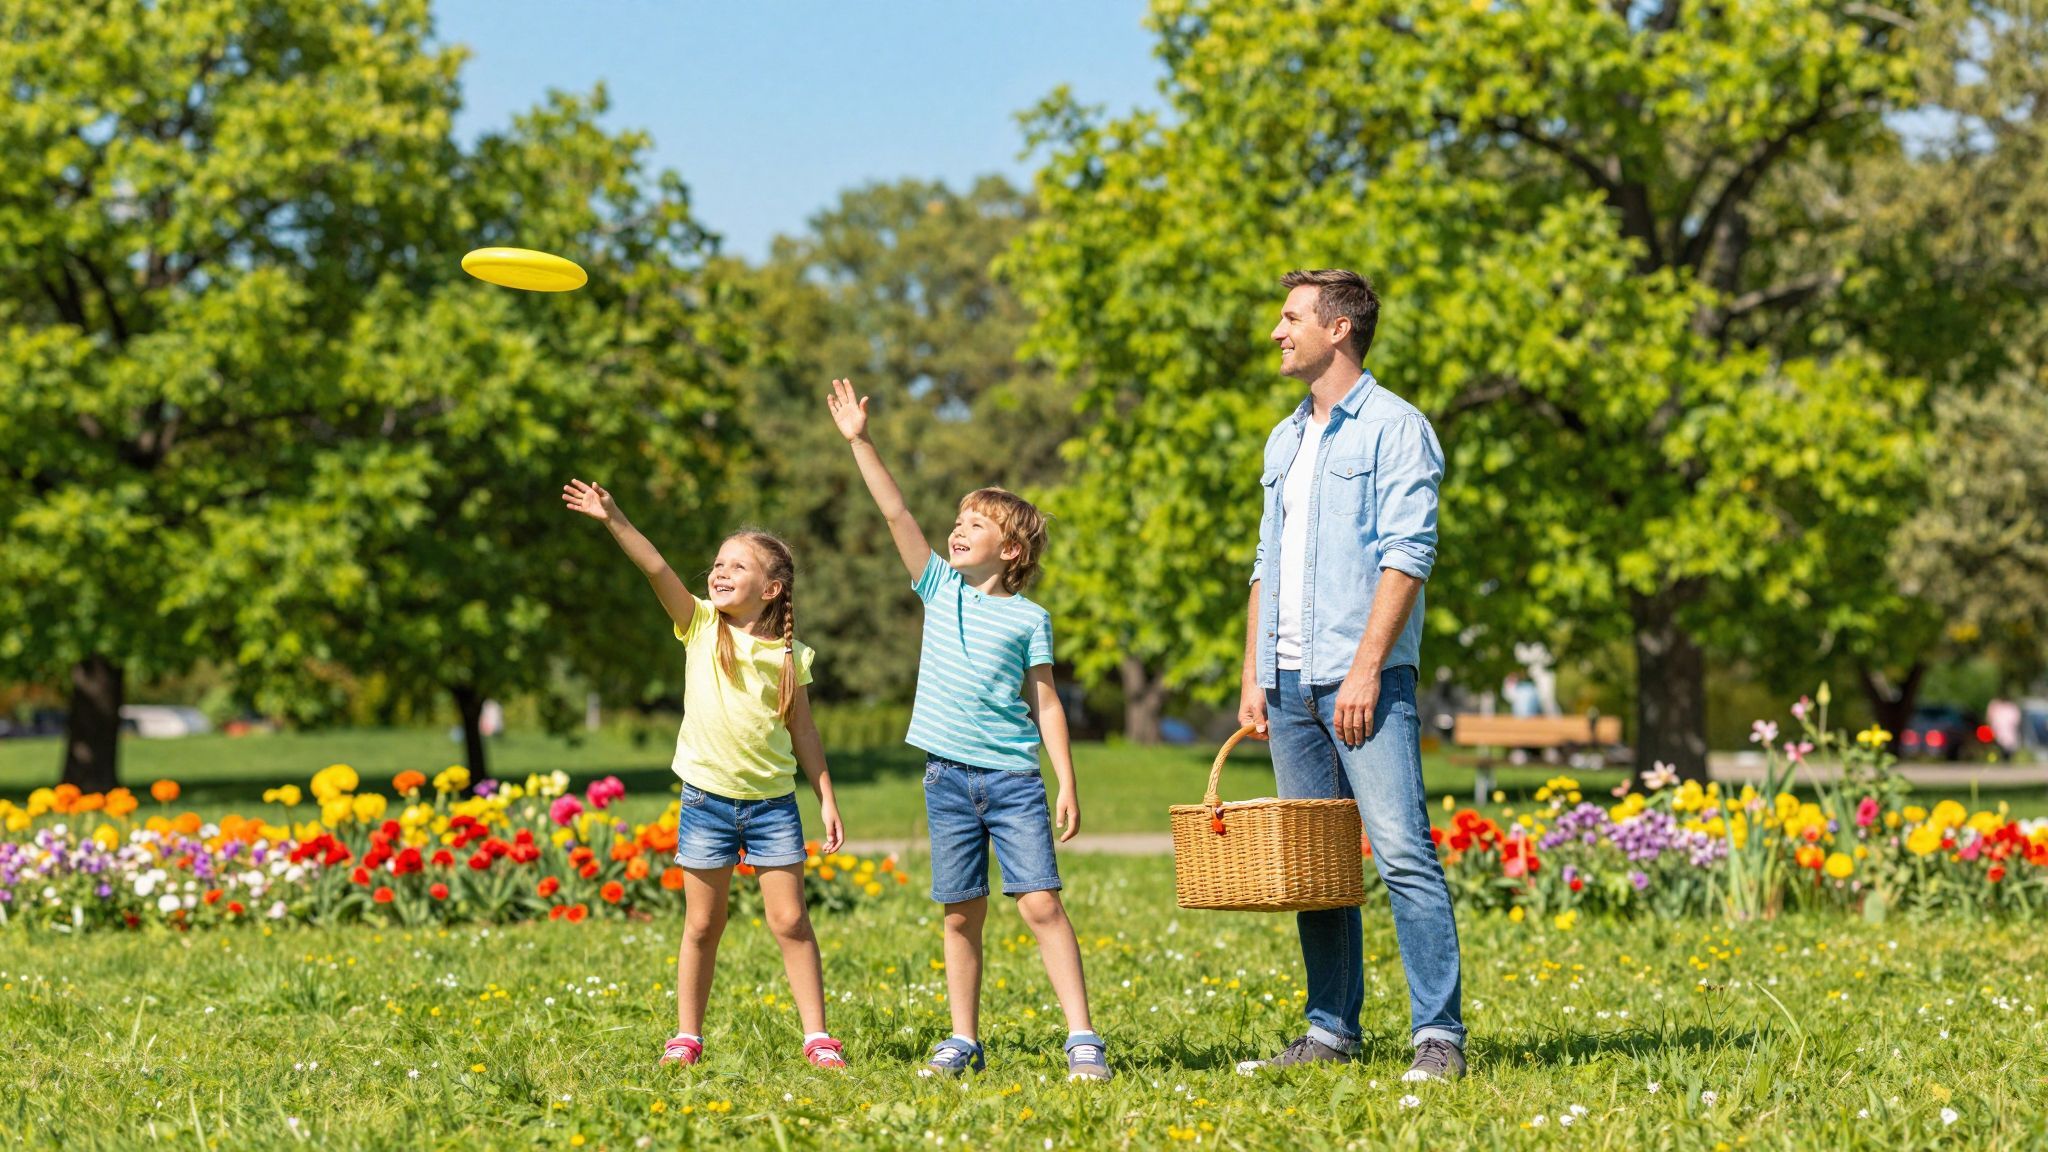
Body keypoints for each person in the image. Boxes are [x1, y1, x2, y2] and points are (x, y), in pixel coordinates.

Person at [827, 378, 1112, 1082]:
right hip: (946, 778)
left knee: (1041, 903)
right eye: (957, 521)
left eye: (976, 524)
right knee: (960, 914)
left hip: (1013, 782)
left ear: (1011, 550)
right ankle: (962, 1039)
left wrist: (1066, 780)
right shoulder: (939, 589)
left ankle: (1082, 1037)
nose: (958, 530)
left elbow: (1046, 703)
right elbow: (895, 513)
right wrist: (861, 441)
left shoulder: (1029, 619)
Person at [1236, 269, 1466, 1083]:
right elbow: (1267, 560)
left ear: (1338, 330)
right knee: (1317, 859)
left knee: (1402, 852)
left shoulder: (1397, 428)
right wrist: (1254, 669)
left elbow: (1409, 555)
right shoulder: (1285, 438)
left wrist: (1368, 669)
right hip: (1288, 678)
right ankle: (1330, 1027)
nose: (1276, 331)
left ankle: (1438, 1034)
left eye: (1290, 315)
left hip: (1361, 676)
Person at [561, 479, 849, 1070]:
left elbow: (805, 733)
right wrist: (613, 517)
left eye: (735, 566)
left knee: (791, 921)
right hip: (706, 802)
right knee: (701, 924)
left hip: (772, 806)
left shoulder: (789, 657)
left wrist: (826, 797)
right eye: (717, 563)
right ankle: (686, 1036)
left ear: (770, 589)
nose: (718, 572)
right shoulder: (699, 625)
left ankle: (817, 1036)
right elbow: (657, 568)